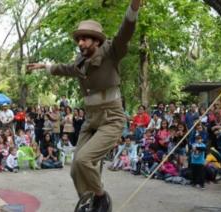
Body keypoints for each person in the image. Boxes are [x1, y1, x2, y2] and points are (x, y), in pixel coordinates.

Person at [27, 1, 141, 209]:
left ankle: (101, 197)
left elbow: (125, 31)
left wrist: (133, 8)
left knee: (83, 161)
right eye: (79, 39)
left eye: (85, 39)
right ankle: (88, 199)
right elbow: (65, 68)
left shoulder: (110, 51)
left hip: (111, 117)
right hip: (91, 118)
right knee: (75, 169)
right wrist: (45, 66)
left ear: (96, 41)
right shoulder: (81, 62)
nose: (80, 42)